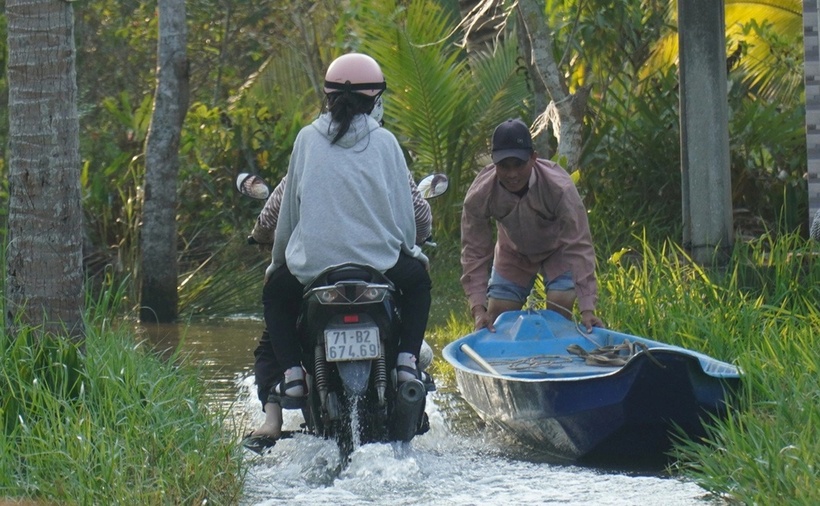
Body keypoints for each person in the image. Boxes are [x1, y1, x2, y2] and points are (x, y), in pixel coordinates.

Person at [247, 53, 432, 444]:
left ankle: (294, 377)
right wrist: (409, 250)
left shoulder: (306, 140)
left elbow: (289, 216)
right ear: (375, 98)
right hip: (379, 266)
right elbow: (405, 216)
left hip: (314, 269)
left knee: (275, 296)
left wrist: (279, 263)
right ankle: (405, 364)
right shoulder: (385, 143)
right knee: (419, 284)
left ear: (328, 96)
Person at [460, 118, 605, 333]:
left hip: (558, 250)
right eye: (504, 166)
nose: (512, 174)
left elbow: (578, 245)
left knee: (558, 307)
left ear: (533, 158)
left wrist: (587, 308)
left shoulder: (560, 188)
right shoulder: (479, 195)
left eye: (519, 164)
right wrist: (478, 309)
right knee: (498, 319)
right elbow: (474, 251)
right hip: (513, 252)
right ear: (493, 163)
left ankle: (556, 357)